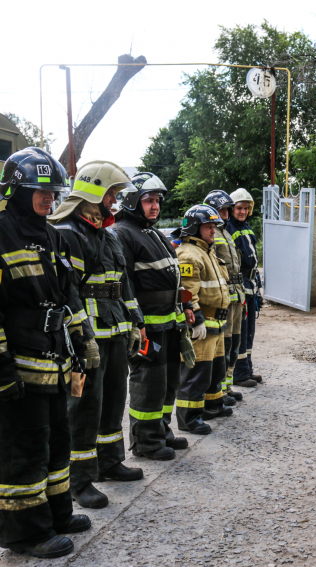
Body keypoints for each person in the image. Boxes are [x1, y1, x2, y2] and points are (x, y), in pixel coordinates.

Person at [0, 147, 93, 558]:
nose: (49, 199)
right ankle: (24, 533)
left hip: (53, 361)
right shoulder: (1, 232)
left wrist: (85, 342)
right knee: (25, 449)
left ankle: (57, 513)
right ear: (17, 189)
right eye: (41, 192)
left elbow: (69, 294)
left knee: (58, 439)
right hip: (18, 366)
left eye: (53, 192)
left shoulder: (51, 234)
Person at [48, 161, 145, 509]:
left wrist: (136, 320)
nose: (115, 201)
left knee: (113, 401)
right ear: (94, 193)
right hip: (86, 341)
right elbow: (68, 291)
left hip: (115, 334)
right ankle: (81, 480)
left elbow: (122, 285)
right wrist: (80, 337)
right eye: (112, 194)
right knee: (83, 408)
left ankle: (110, 461)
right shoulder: (68, 234)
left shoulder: (106, 234)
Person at [113, 172, 192, 461]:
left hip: (169, 324)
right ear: (133, 201)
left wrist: (184, 310)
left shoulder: (152, 232)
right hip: (149, 327)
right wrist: (137, 323)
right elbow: (124, 283)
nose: (155, 206)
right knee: (149, 382)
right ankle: (146, 442)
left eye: (157, 200)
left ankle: (161, 430)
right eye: (149, 200)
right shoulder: (122, 233)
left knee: (168, 380)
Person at [174, 205, 232, 434]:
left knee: (215, 369)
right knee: (196, 374)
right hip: (203, 323)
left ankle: (212, 405)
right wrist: (196, 319)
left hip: (216, 323)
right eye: (208, 227)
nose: (213, 231)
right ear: (195, 228)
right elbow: (188, 292)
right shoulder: (189, 253)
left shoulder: (207, 251)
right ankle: (189, 418)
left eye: (214, 227)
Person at [204, 190, 244, 404]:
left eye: (227, 209)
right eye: (221, 209)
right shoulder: (211, 234)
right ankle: (218, 390)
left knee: (235, 342)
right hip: (224, 295)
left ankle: (228, 387)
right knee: (224, 344)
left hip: (236, 295)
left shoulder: (225, 232)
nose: (226, 213)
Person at [227, 188, 262, 388]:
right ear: (233, 208)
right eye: (239, 208)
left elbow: (253, 260)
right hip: (240, 286)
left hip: (251, 286)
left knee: (250, 331)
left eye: (246, 208)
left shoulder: (246, 227)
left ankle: (247, 368)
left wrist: (258, 287)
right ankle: (239, 374)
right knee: (240, 331)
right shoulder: (229, 228)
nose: (243, 211)